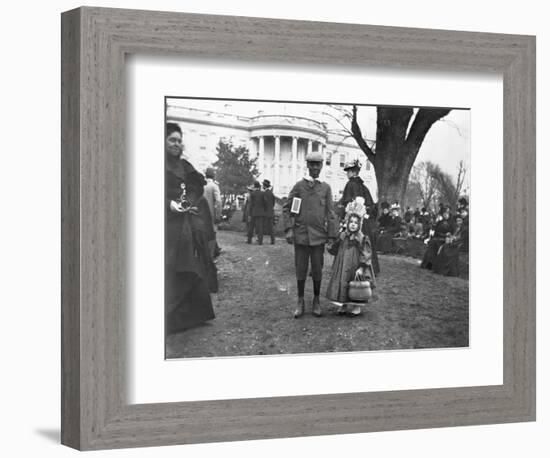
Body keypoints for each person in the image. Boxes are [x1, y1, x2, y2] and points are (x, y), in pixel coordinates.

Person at [164, 123, 217, 334]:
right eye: (172, 140)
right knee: (170, 266)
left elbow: (197, 185)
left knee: (191, 263)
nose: (177, 144)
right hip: (165, 223)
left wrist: (189, 201)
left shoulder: (185, 165)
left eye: (179, 140)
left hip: (185, 222)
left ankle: (190, 316)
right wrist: (169, 204)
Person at [283, 150, 338, 318]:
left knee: (317, 269)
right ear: (307, 166)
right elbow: (289, 208)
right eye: (311, 164)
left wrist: (332, 235)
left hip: (318, 237)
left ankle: (316, 300)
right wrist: (289, 229)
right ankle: (300, 301)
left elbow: (330, 213)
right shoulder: (300, 187)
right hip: (301, 235)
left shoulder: (326, 188)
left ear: (321, 166)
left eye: (317, 164)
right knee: (300, 269)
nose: (315, 168)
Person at [326, 200, 375, 317]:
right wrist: (332, 242)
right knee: (342, 282)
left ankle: (356, 307)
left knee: (355, 283)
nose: (353, 224)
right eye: (351, 222)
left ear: (360, 225)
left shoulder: (361, 238)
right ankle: (343, 304)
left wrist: (362, 267)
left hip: (355, 264)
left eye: (356, 223)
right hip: (342, 264)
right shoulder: (343, 235)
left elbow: (366, 253)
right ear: (347, 222)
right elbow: (335, 248)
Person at [339, 158, 380, 274]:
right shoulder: (364, 187)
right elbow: (372, 206)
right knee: (364, 243)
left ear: (353, 172)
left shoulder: (350, 184)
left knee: (351, 242)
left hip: (352, 221)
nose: (347, 174)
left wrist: (343, 218)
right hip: (364, 222)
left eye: (348, 171)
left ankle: (350, 267)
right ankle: (370, 268)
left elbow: (345, 203)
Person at [420, 205, 456, 270]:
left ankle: (434, 264)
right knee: (432, 242)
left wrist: (447, 235)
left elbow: (452, 232)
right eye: (444, 214)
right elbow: (436, 231)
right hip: (438, 237)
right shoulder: (440, 222)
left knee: (435, 242)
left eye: (447, 213)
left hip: (446, 239)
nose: (445, 215)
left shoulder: (452, 222)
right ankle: (428, 264)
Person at [203, 167, 222, 258]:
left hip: (200, 214)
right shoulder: (214, 186)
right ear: (213, 176)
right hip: (211, 214)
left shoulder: (201, 185)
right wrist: (218, 215)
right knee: (212, 234)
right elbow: (218, 202)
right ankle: (210, 256)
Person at [262, 179, 276, 244]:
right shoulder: (271, 193)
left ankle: (260, 239)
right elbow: (273, 202)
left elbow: (264, 203)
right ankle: (272, 240)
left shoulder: (264, 193)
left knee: (262, 226)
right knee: (271, 227)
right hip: (271, 211)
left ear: (264, 186)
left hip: (265, 212)